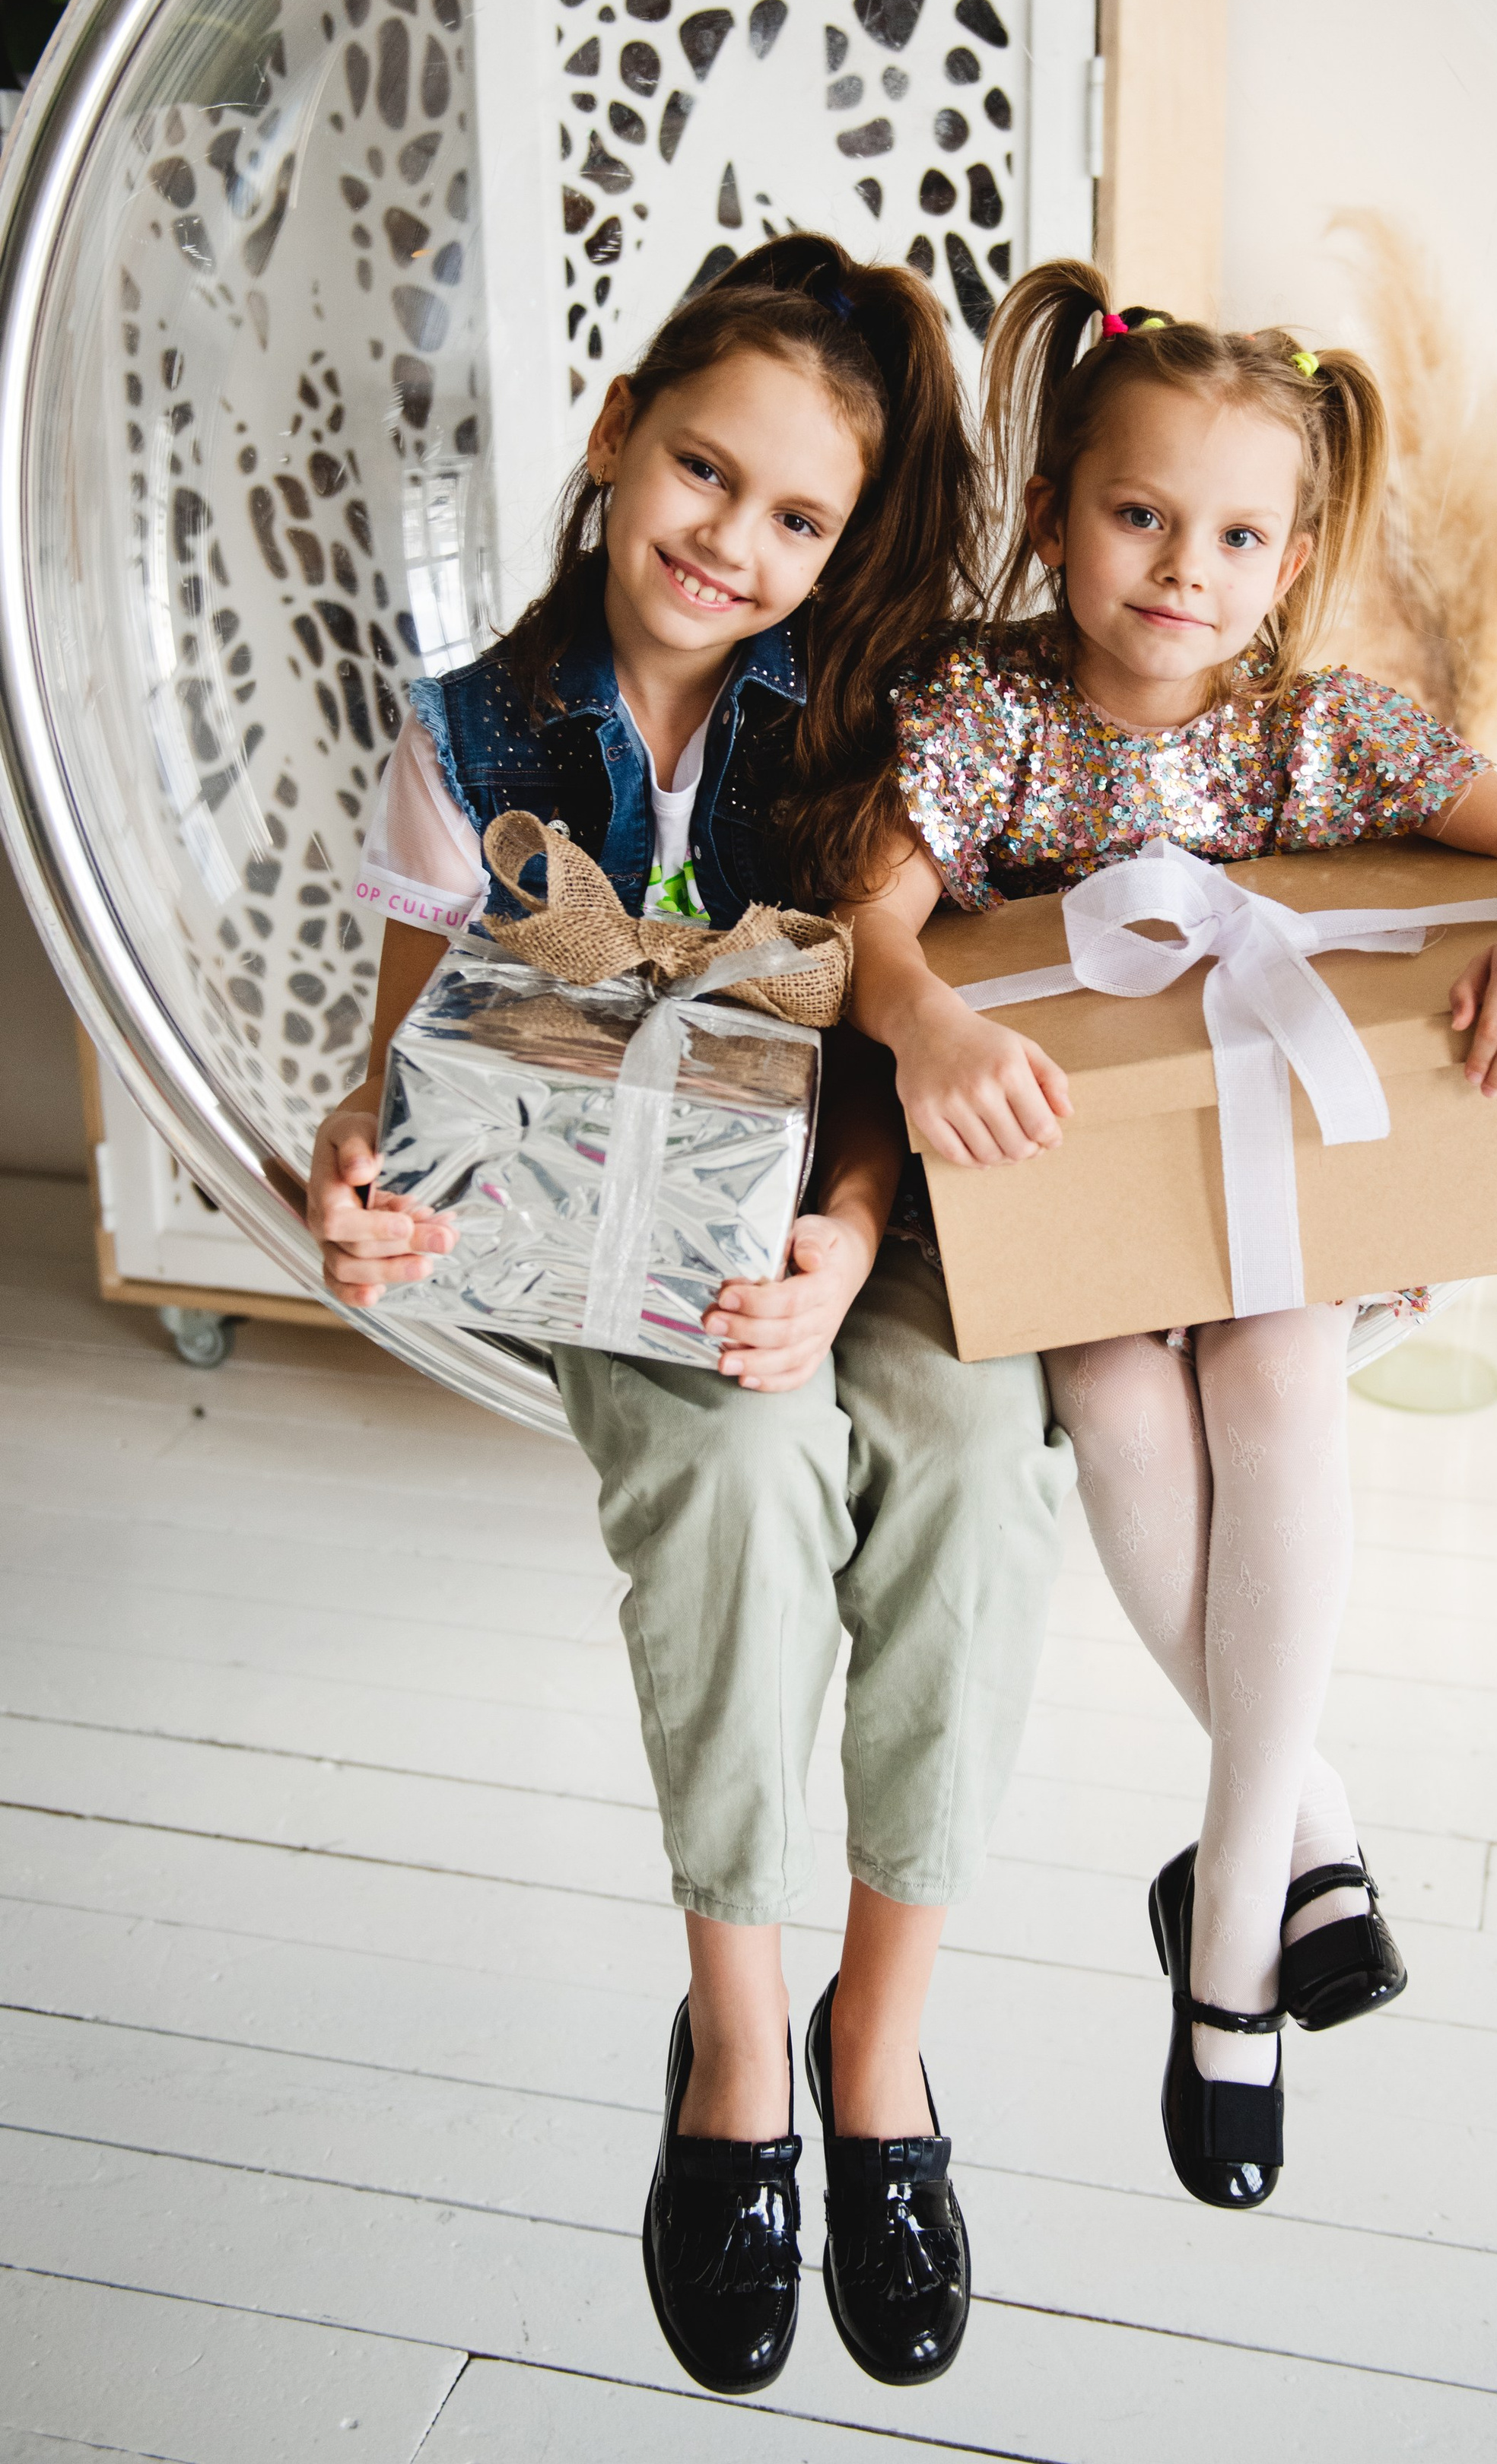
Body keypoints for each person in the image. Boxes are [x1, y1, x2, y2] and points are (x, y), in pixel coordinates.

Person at [304, 237, 1073, 2393]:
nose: (731, 540)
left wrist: (842, 1236)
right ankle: (739, 2042)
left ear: (842, 544)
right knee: (737, 1471)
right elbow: (407, 1079)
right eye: (702, 470)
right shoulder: (469, 739)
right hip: (609, 1234)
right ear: (620, 422)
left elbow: (894, 1052)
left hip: (869, 1201)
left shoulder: (863, 724)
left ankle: (883, 2046)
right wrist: (352, 1193)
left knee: (974, 1452)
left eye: (796, 515)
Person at [837, 261, 1497, 2212]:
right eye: (1136, 514)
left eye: (1235, 533)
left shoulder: (1321, 734)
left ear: (1286, 560)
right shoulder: (981, 715)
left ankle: (1221, 1967)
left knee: (1276, 1369)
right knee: (1117, 1392)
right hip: (1080, 1219)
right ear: (1052, 515)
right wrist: (926, 1014)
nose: (1181, 566)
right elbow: (866, 923)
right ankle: (1299, 1831)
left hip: (1281, 1206)